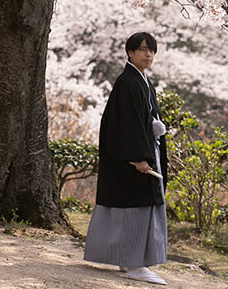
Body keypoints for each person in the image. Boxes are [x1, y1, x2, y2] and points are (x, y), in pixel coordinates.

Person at [84, 32, 168, 285]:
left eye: (151, 50)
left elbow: (141, 120)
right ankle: (135, 264)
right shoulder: (128, 83)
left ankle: (128, 259)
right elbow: (126, 124)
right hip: (133, 159)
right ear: (130, 52)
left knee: (133, 209)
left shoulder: (141, 81)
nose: (148, 54)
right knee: (135, 210)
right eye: (142, 49)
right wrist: (138, 157)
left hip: (142, 153)